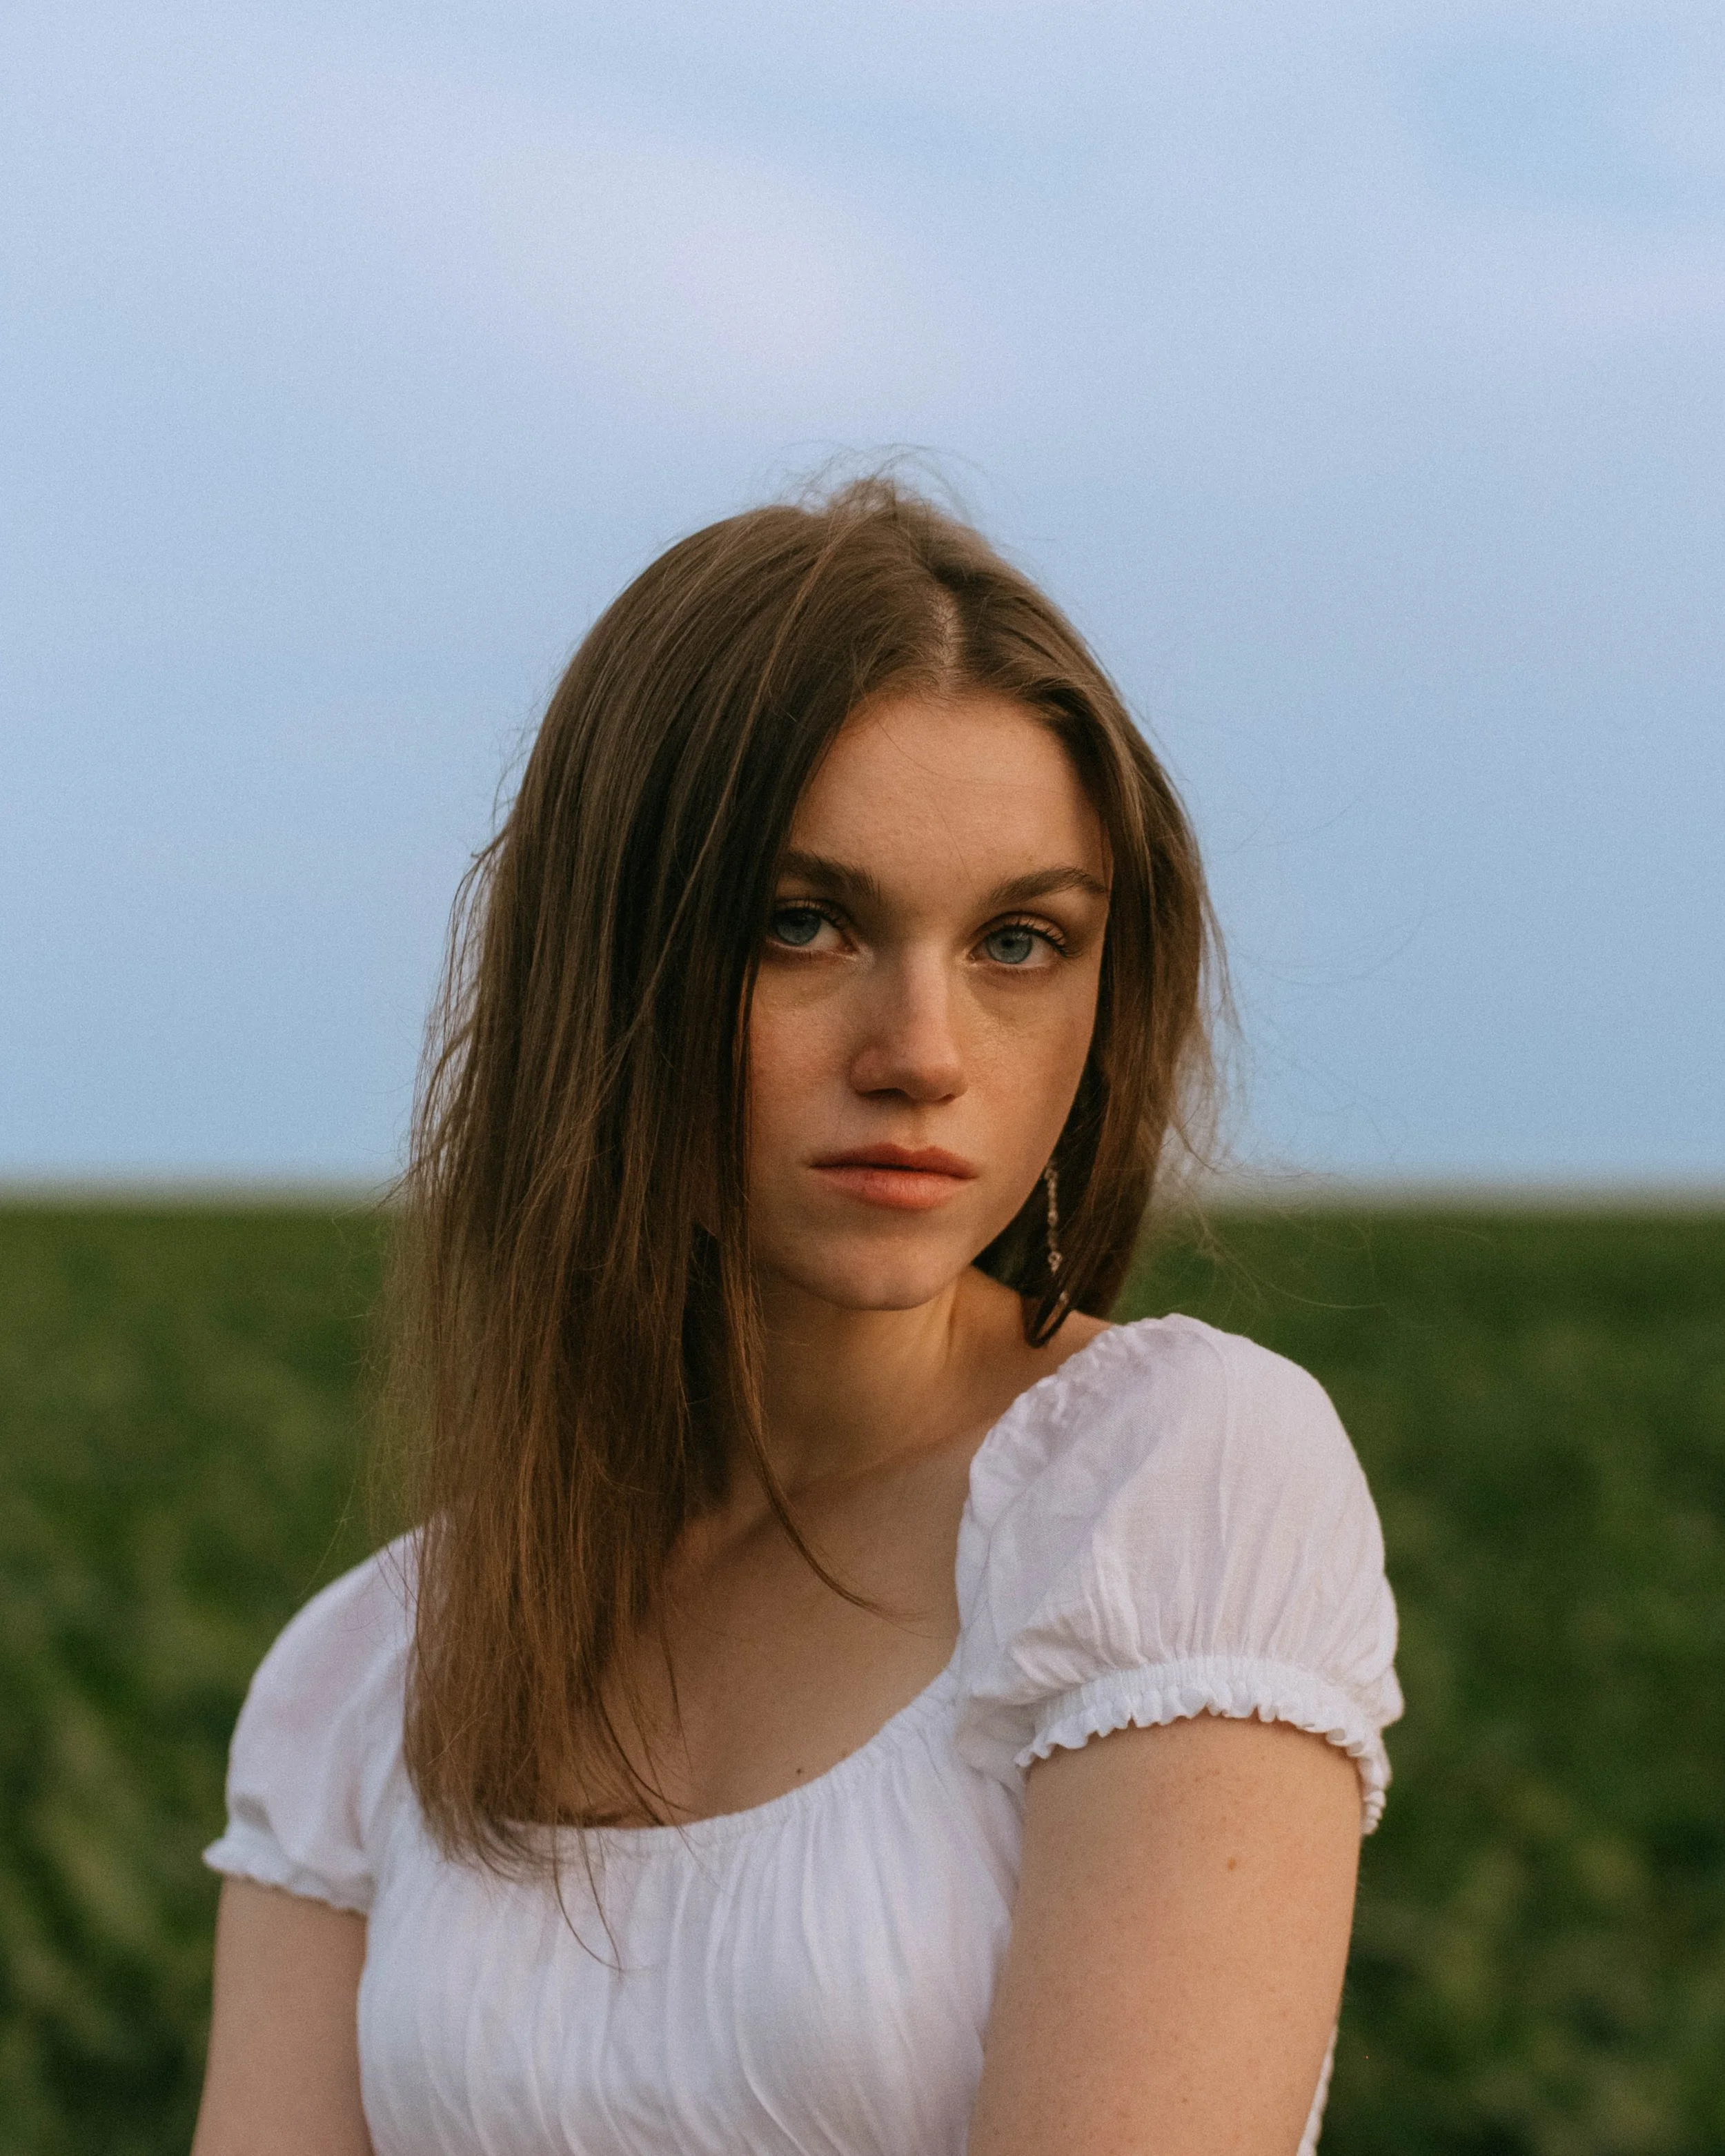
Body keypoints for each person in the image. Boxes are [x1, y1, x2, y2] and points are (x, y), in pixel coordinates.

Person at [192, 477, 1401, 2156]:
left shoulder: (1162, 1495)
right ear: (601, 966)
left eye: (1018, 939)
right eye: (799, 921)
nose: (922, 1048)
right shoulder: (369, 1672)